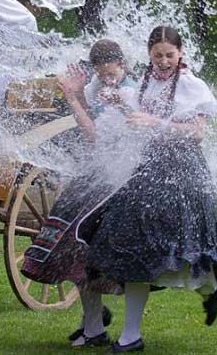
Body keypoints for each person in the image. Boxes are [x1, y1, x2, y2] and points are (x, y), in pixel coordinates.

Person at [76, 26, 217, 352]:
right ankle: (131, 336)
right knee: (132, 245)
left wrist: (155, 124)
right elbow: (140, 121)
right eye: (158, 55)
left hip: (184, 174)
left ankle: (209, 292)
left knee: (189, 249)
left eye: (170, 55)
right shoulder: (144, 82)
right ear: (149, 54)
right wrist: (122, 106)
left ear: (180, 54)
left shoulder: (192, 86)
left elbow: (196, 134)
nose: (164, 61)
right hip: (148, 169)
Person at [21, 39, 138, 347]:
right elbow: (92, 118)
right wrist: (79, 96)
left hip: (117, 182)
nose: (105, 76)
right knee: (74, 252)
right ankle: (93, 323)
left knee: (85, 252)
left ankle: (95, 325)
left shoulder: (129, 92)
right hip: (95, 177)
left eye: (110, 70)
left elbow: (95, 136)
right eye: (100, 70)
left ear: (121, 63)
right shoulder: (100, 84)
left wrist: (72, 98)